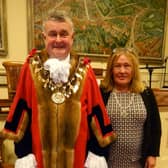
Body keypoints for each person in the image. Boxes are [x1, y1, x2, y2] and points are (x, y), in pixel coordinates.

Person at [0, 10, 116, 168]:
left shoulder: (84, 70)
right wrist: (23, 152)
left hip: (77, 157)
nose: (58, 40)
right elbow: (22, 112)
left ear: (72, 38)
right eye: (53, 34)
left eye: (64, 34)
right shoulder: (31, 68)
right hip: (40, 157)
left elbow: (96, 113)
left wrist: (96, 152)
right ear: (44, 37)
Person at [100, 47, 161, 168]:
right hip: (107, 162)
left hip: (138, 162)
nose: (122, 71)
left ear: (134, 70)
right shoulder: (102, 93)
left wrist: (152, 154)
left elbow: (155, 126)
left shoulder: (146, 93)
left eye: (127, 66)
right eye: (117, 66)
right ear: (111, 69)